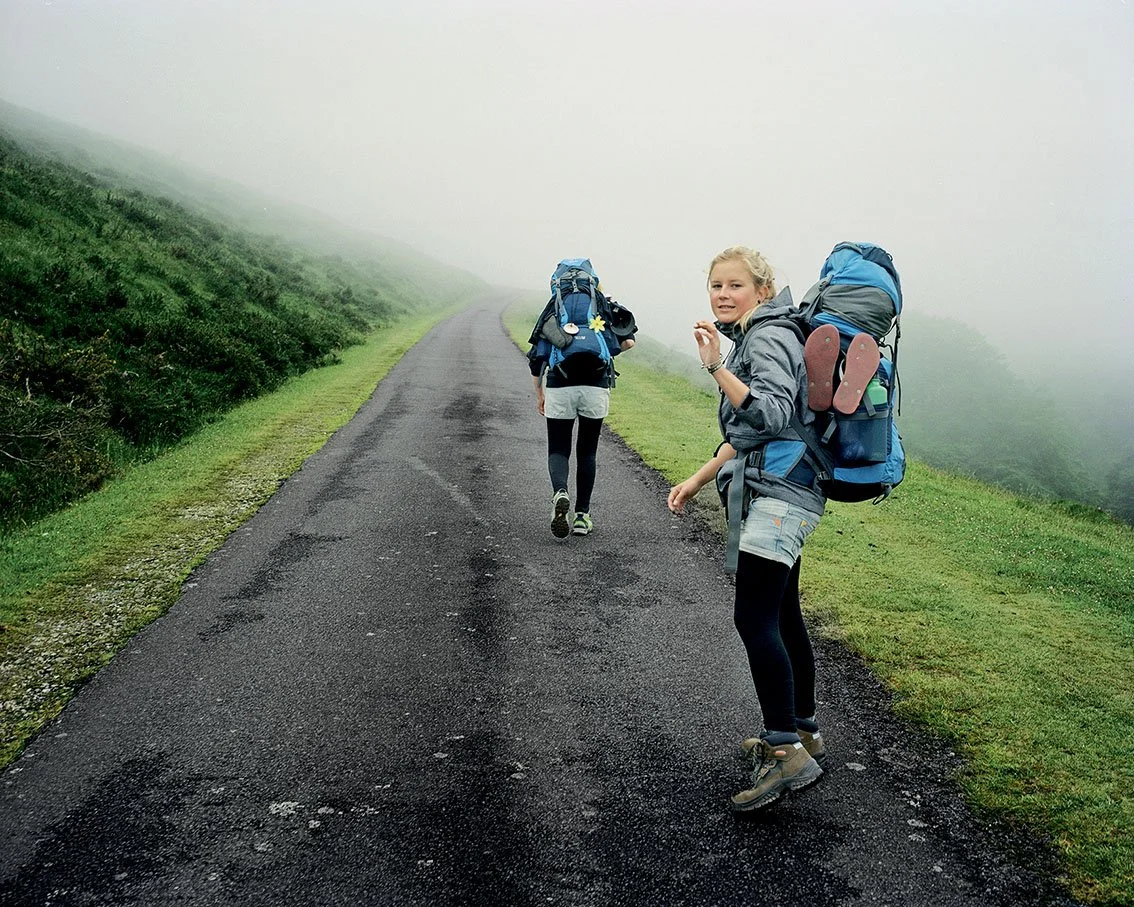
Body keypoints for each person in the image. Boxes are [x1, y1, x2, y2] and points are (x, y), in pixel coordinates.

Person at [667, 246, 826, 813]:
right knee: (783, 614)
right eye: (715, 286)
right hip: (788, 488)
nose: (722, 294)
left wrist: (716, 368)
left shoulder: (767, 337)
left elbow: (772, 413)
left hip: (782, 497)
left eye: (735, 285)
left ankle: (785, 752)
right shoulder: (763, 334)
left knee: (753, 616)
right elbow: (751, 435)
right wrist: (697, 476)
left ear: (763, 290)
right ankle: (802, 731)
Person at [527, 261, 636, 539]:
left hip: (560, 384)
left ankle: (560, 492)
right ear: (593, 281)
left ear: (557, 282)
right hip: (595, 387)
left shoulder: (555, 306)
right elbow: (628, 342)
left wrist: (539, 392)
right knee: (587, 451)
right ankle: (581, 517)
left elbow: (537, 356)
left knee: (559, 448)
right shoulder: (601, 302)